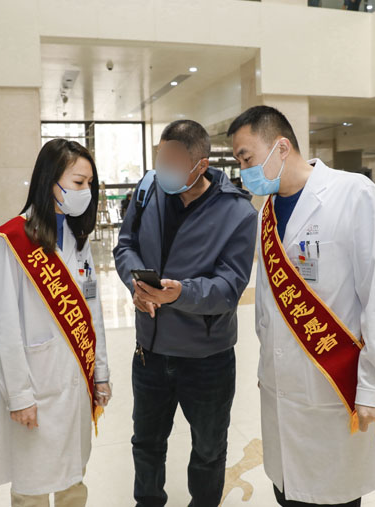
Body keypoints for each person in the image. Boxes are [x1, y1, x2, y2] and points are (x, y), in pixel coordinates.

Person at [228, 106, 375, 506]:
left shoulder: (354, 194)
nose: (244, 171)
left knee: (333, 493)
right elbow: (266, 302)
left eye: (246, 158)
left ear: (281, 147)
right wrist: (266, 367)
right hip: (281, 383)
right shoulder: (266, 213)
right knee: (287, 491)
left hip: (334, 381)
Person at [113, 120, 257, 507]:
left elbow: (229, 288)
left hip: (206, 359)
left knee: (208, 449)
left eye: (173, 163)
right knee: (146, 442)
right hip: (150, 351)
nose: (163, 170)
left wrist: (181, 293)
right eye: (161, 159)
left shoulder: (238, 213)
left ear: (200, 165)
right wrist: (137, 284)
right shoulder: (148, 191)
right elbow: (125, 246)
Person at [0, 139, 111, 506]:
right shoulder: (11, 240)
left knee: (73, 476)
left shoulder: (76, 238)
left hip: (76, 379)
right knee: (33, 483)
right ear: (49, 181)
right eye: (78, 182)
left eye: (90, 184)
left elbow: (93, 313)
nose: (85, 192)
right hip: (35, 384)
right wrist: (19, 397)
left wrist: (100, 373)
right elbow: (5, 329)